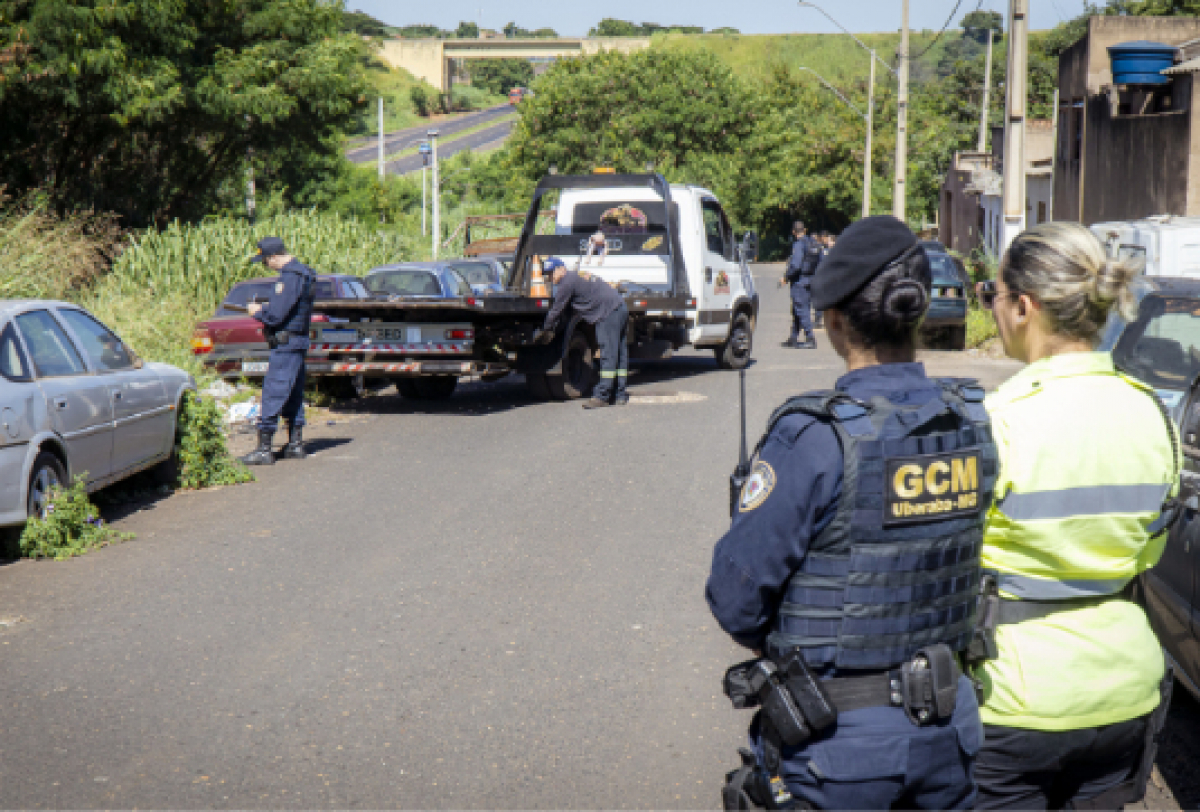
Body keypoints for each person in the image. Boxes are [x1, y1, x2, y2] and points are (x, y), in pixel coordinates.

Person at [710, 215, 993, 810]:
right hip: (952, 733)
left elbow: (736, 597)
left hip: (841, 747)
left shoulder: (814, 437)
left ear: (833, 320)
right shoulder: (970, 420)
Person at [971, 222, 1179, 810]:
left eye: (993, 294)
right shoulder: (1151, 413)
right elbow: (1147, 554)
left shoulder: (998, 419)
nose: (991, 307)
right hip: (1125, 690)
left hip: (1015, 696)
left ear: (1024, 306)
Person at [242, 236, 317, 465]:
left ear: (274, 257)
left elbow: (277, 315)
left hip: (286, 344)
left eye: (265, 261)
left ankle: (264, 449)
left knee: (274, 392)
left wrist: (257, 311)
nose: (266, 265)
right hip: (295, 342)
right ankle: (295, 445)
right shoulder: (303, 273)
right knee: (293, 394)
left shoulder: (290, 277)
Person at [533, 257, 629, 409]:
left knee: (609, 354)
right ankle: (620, 394)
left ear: (561, 269)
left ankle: (602, 396)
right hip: (619, 306)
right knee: (620, 354)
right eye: (547, 275)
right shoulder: (576, 276)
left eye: (552, 273)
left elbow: (556, 310)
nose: (550, 278)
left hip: (607, 312)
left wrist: (545, 329)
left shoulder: (567, 282)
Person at [781, 221, 821, 349]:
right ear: (805, 230)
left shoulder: (799, 245)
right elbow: (821, 262)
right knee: (798, 310)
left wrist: (786, 277)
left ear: (793, 232)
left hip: (800, 282)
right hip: (811, 281)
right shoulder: (814, 243)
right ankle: (793, 337)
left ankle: (810, 338)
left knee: (802, 310)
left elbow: (796, 265)